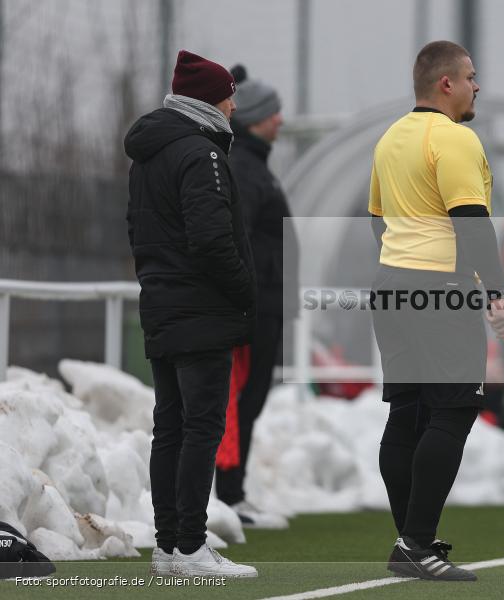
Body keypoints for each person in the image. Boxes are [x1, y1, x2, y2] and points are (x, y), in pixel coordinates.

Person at [369, 40, 504, 582]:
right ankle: (415, 541)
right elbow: (473, 222)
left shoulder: (389, 139)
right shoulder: (453, 139)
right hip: (439, 289)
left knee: (405, 411)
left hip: (390, 284)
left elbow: (378, 221)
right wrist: (498, 294)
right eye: (472, 77)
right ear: (446, 84)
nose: (478, 86)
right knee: (452, 411)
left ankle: (412, 539)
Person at [124, 50, 258, 578]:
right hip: (200, 308)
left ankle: (168, 547)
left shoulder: (149, 154)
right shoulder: (199, 153)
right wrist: (245, 290)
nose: (232, 106)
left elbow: (138, 231)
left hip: (161, 302)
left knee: (172, 428)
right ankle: (190, 547)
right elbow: (211, 240)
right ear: (208, 100)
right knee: (201, 427)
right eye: (228, 95)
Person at [213, 64, 297, 530]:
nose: (281, 119)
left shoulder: (255, 166)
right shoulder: (244, 168)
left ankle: (232, 490)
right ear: (255, 118)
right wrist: (245, 302)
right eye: (274, 112)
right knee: (239, 400)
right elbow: (237, 238)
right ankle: (228, 493)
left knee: (250, 400)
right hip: (254, 308)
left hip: (264, 304)